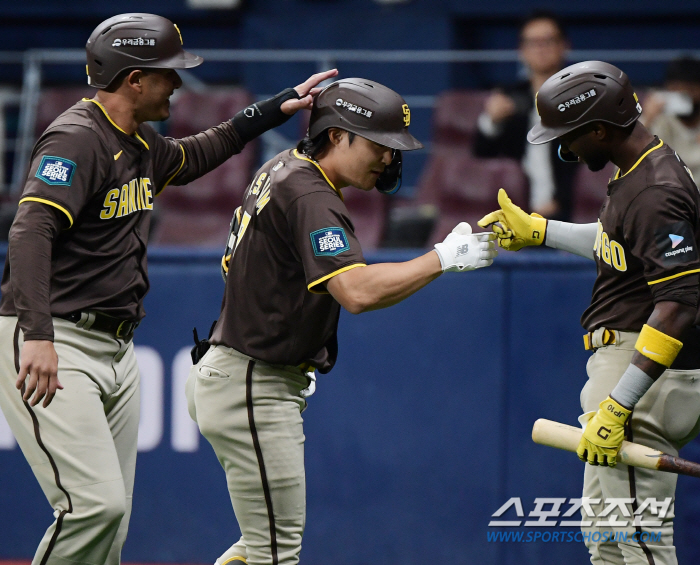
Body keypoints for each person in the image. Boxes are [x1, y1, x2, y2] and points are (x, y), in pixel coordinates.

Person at [0, 12, 336, 565]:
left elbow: (197, 153)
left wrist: (271, 109)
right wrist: (36, 334)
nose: (178, 84)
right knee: (94, 509)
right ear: (134, 79)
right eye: (168, 73)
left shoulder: (137, 142)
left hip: (116, 347)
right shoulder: (77, 138)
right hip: (54, 336)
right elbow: (30, 229)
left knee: (113, 522)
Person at [185, 78, 498, 565]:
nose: (389, 159)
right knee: (275, 552)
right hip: (252, 383)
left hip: (243, 376)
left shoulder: (285, 168)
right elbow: (356, 292)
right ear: (336, 136)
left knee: (258, 548)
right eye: (379, 145)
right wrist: (443, 257)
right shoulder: (311, 194)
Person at [478, 60, 700, 565]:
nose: (566, 148)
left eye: (571, 135)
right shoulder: (640, 167)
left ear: (599, 128)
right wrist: (542, 230)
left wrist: (620, 406)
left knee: (638, 544)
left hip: (642, 376)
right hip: (631, 371)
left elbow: (678, 305)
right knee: (606, 543)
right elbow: (617, 244)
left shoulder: (655, 188)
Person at [474, 10, 576, 220]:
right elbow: (481, 154)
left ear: (564, 46)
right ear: (521, 51)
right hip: (515, 212)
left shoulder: (581, 97)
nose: (540, 49)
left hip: (569, 213)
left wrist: (559, 202)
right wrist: (491, 121)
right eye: (532, 42)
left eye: (548, 41)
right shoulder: (509, 97)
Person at [642, 55, 700, 182]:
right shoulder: (658, 120)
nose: (684, 96)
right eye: (676, 90)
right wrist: (647, 119)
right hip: (668, 195)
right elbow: (630, 161)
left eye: (690, 90)